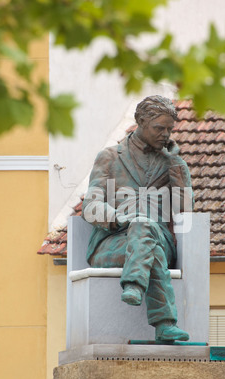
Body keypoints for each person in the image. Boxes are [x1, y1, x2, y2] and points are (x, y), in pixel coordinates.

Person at [81, 95, 194, 342]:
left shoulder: (171, 163)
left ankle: (134, 284)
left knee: (146, 228)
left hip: (158, 241)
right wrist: (121, 217)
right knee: (143, 228)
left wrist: (176, 164)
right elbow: (90, 206)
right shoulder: (110, 157)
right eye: (159, 128)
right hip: (114, 243)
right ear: (140, 121)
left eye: (169, 130)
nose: (165, 134)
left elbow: (185, 211)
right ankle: (163, 324)